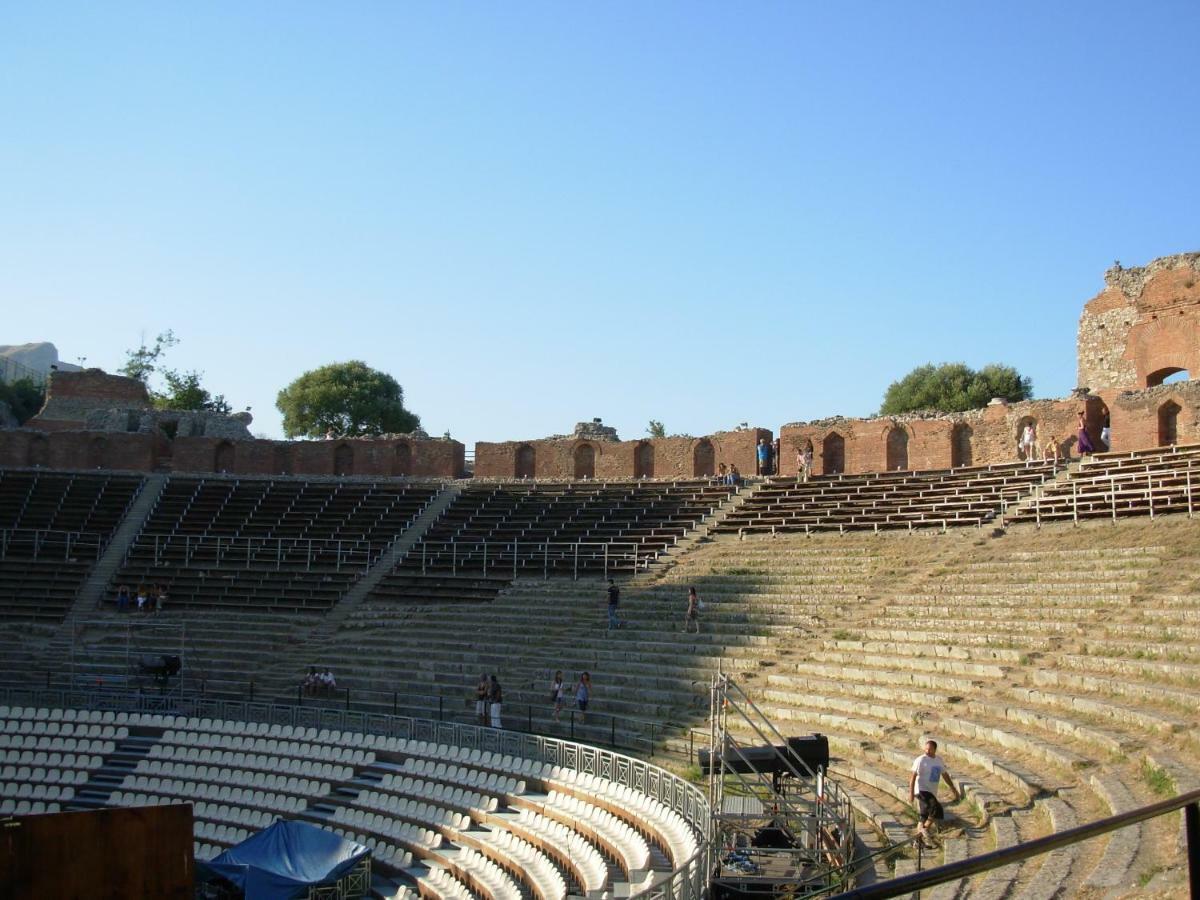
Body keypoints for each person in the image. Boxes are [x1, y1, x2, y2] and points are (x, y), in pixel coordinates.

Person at [908, 739, 961, 846]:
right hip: (922, 790)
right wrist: (911, 793)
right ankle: (925, 832)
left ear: (935, 750)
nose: (927, 751)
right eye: (926, 749)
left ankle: (918, 839)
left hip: (931, 791)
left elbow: (945, 775)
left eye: (930, 749)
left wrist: (953, 788)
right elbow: (912, 778)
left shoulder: (938, 760)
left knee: (924, 816)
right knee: (936, 808)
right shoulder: (921, 760)